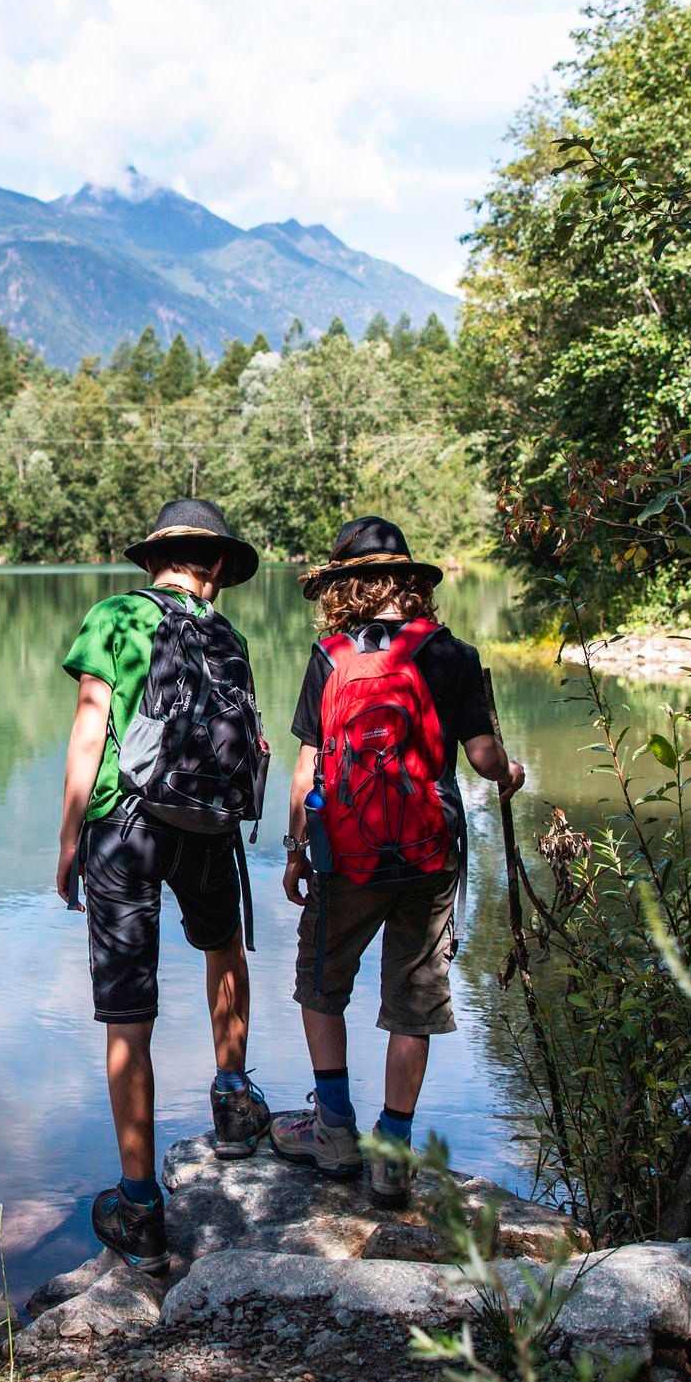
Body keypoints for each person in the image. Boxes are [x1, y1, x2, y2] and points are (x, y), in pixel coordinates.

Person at [268, 517, 524, 1209]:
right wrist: (512, 772)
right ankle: (392, 1152)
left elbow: (306, 770)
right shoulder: (453, 654)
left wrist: (295, 850)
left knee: (321, 982)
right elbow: (483, 758)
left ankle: (333, 1128)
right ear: (410, 583)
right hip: (429, 852)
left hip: (344, 854)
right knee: (414, 997)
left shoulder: (328, 655)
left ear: (344, 589)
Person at [56, 498, 274, 1272]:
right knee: (224, 946)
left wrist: (69, 837)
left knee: (128, 1013)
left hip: (126, 826)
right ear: (215, 566)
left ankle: (141, 1208)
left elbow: (91, 728)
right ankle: (233, 1102)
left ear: (153, 560)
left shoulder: (115, 615)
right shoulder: (227, 635)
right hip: (209, 824)